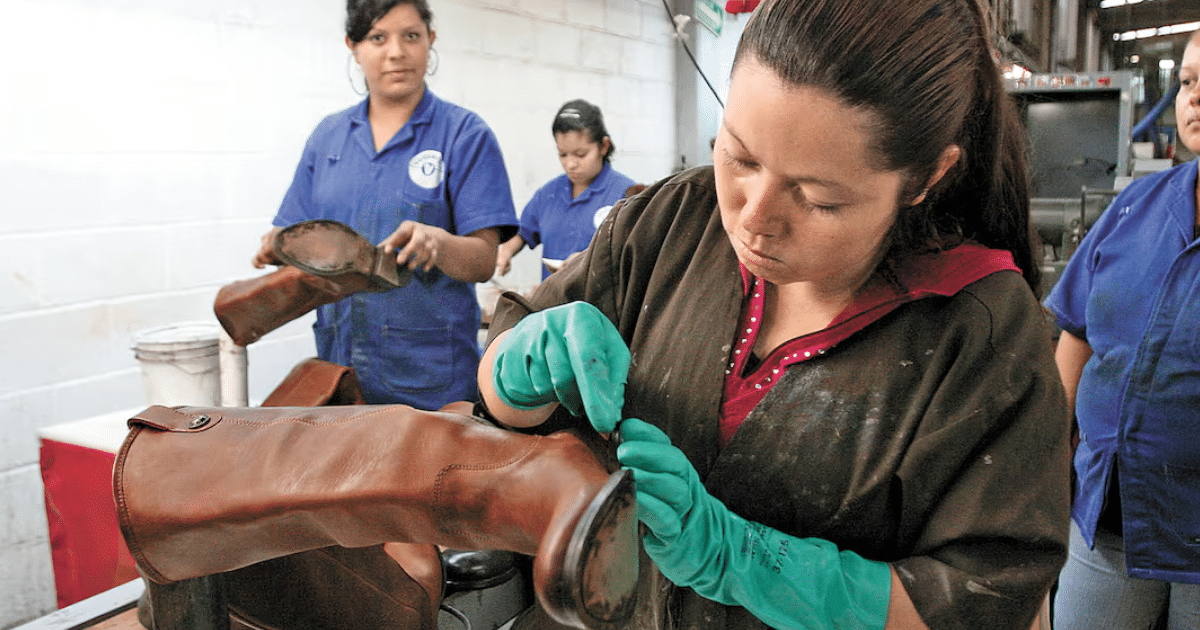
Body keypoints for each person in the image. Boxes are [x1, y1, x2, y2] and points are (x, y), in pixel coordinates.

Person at [476, 0, 1071, 628]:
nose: (754, 220)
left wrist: (741, 558)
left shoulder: (979, 333)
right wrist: (518, 376)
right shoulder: (671, 223)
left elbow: (980, 599)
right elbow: (498, 395)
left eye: (817, 198)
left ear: (926, 178)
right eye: (740, 157)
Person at [251, 0, 517, 408]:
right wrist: (277, 246)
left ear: (430, 39)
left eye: (410, 36)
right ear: (354, 47)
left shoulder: (464, 135)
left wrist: (437, 243)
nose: (396, 52)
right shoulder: (328, 139)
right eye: (378, 38)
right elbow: (291, 231)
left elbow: (484, 260)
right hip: (341, 373)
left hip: (431, 382)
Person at [1046, 29, 1200, 630]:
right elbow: (1078, 335)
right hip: (1110, 518)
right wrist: (1050, 461)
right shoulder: (1137, 207)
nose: (1194, 97)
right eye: (1187, 82)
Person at [495, 99, 635, 279]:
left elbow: (634, 255)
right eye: (563, 154)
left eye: (580, 154)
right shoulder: (548, 194)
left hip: (599, 296)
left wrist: (587, 260)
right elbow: (524, 232)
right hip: (554, 295)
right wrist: (506, 252)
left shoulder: (626, 194)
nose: (570, 164)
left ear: (604, 146)